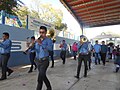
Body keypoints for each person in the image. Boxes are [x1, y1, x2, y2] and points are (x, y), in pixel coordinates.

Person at [35, 26, 52, 90]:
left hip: (45, 61)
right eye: (40, 32)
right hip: (38, 61)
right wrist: (31, 46)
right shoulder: (38, 40)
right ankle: (49, 87)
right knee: (43, 76)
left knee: (39, 79)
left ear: (46, 32)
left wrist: (41, 44)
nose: (41, 34)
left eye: (43, 32)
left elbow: (50, 49)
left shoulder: (48, 40)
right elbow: (37, 51)